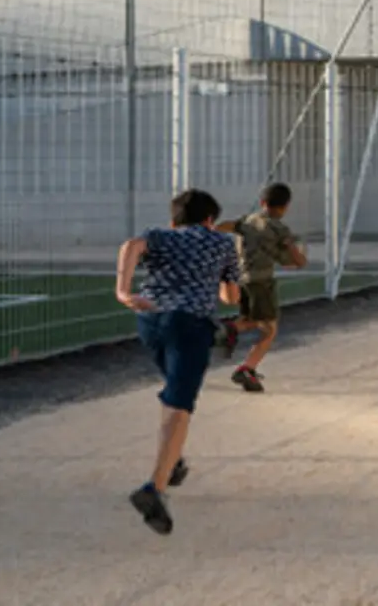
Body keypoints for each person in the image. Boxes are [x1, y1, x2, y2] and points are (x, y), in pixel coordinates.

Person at [114, 187, 244, 535]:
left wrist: (124, 292)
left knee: (173, 392)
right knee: (180, 402)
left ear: (175, 220)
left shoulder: (159, 236)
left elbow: (131, 246)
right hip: (190, 324)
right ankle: (154, 488)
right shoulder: (222, 243)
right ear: (210, 219)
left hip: (150, 320)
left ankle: (173, 461)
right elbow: (230, 296)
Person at [216, 182, 307, 393]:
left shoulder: (248, 220)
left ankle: (245, 362)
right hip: (261, 282)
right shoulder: (278, 229)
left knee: (253, 320)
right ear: (285, 207)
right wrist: (294, 249)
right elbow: (295, 261)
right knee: (269, 328)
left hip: (243, 280)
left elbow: (229, 225)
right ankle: (243, 358)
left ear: (262, 202)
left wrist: (212, 230)